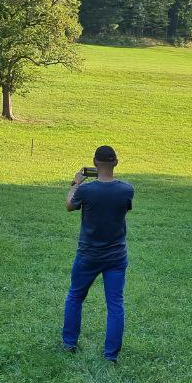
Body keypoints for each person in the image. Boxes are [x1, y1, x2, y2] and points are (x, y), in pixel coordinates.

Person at [62, 145, 134, 363]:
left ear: (94, 163)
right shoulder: (126, 189)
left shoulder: (86, 190)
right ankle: (111, 355)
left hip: (88, 254)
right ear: (116, 163)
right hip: (116, 256)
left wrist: (76, 183)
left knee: (75, 296)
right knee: (115, 304)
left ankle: (69, 343)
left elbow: (69, 205)